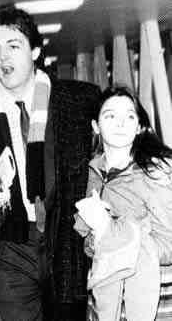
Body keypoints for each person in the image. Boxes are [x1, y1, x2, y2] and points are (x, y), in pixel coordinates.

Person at [0, 4, 101, 320]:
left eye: (14, 46)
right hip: (10, 245)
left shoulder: (80, 101)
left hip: (67, 238)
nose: (3, 58)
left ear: (35, 50)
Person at [73, 85, 172, 321]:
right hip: (106, 288)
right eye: (110, 115)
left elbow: (169, 243)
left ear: (138, 127)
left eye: (129, 116)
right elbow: (89, 246)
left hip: (150, 291)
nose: (120, 123)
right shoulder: (92, 173)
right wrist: (96, 234)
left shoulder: (155, 171)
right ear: (95, 126)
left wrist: (116, 235)